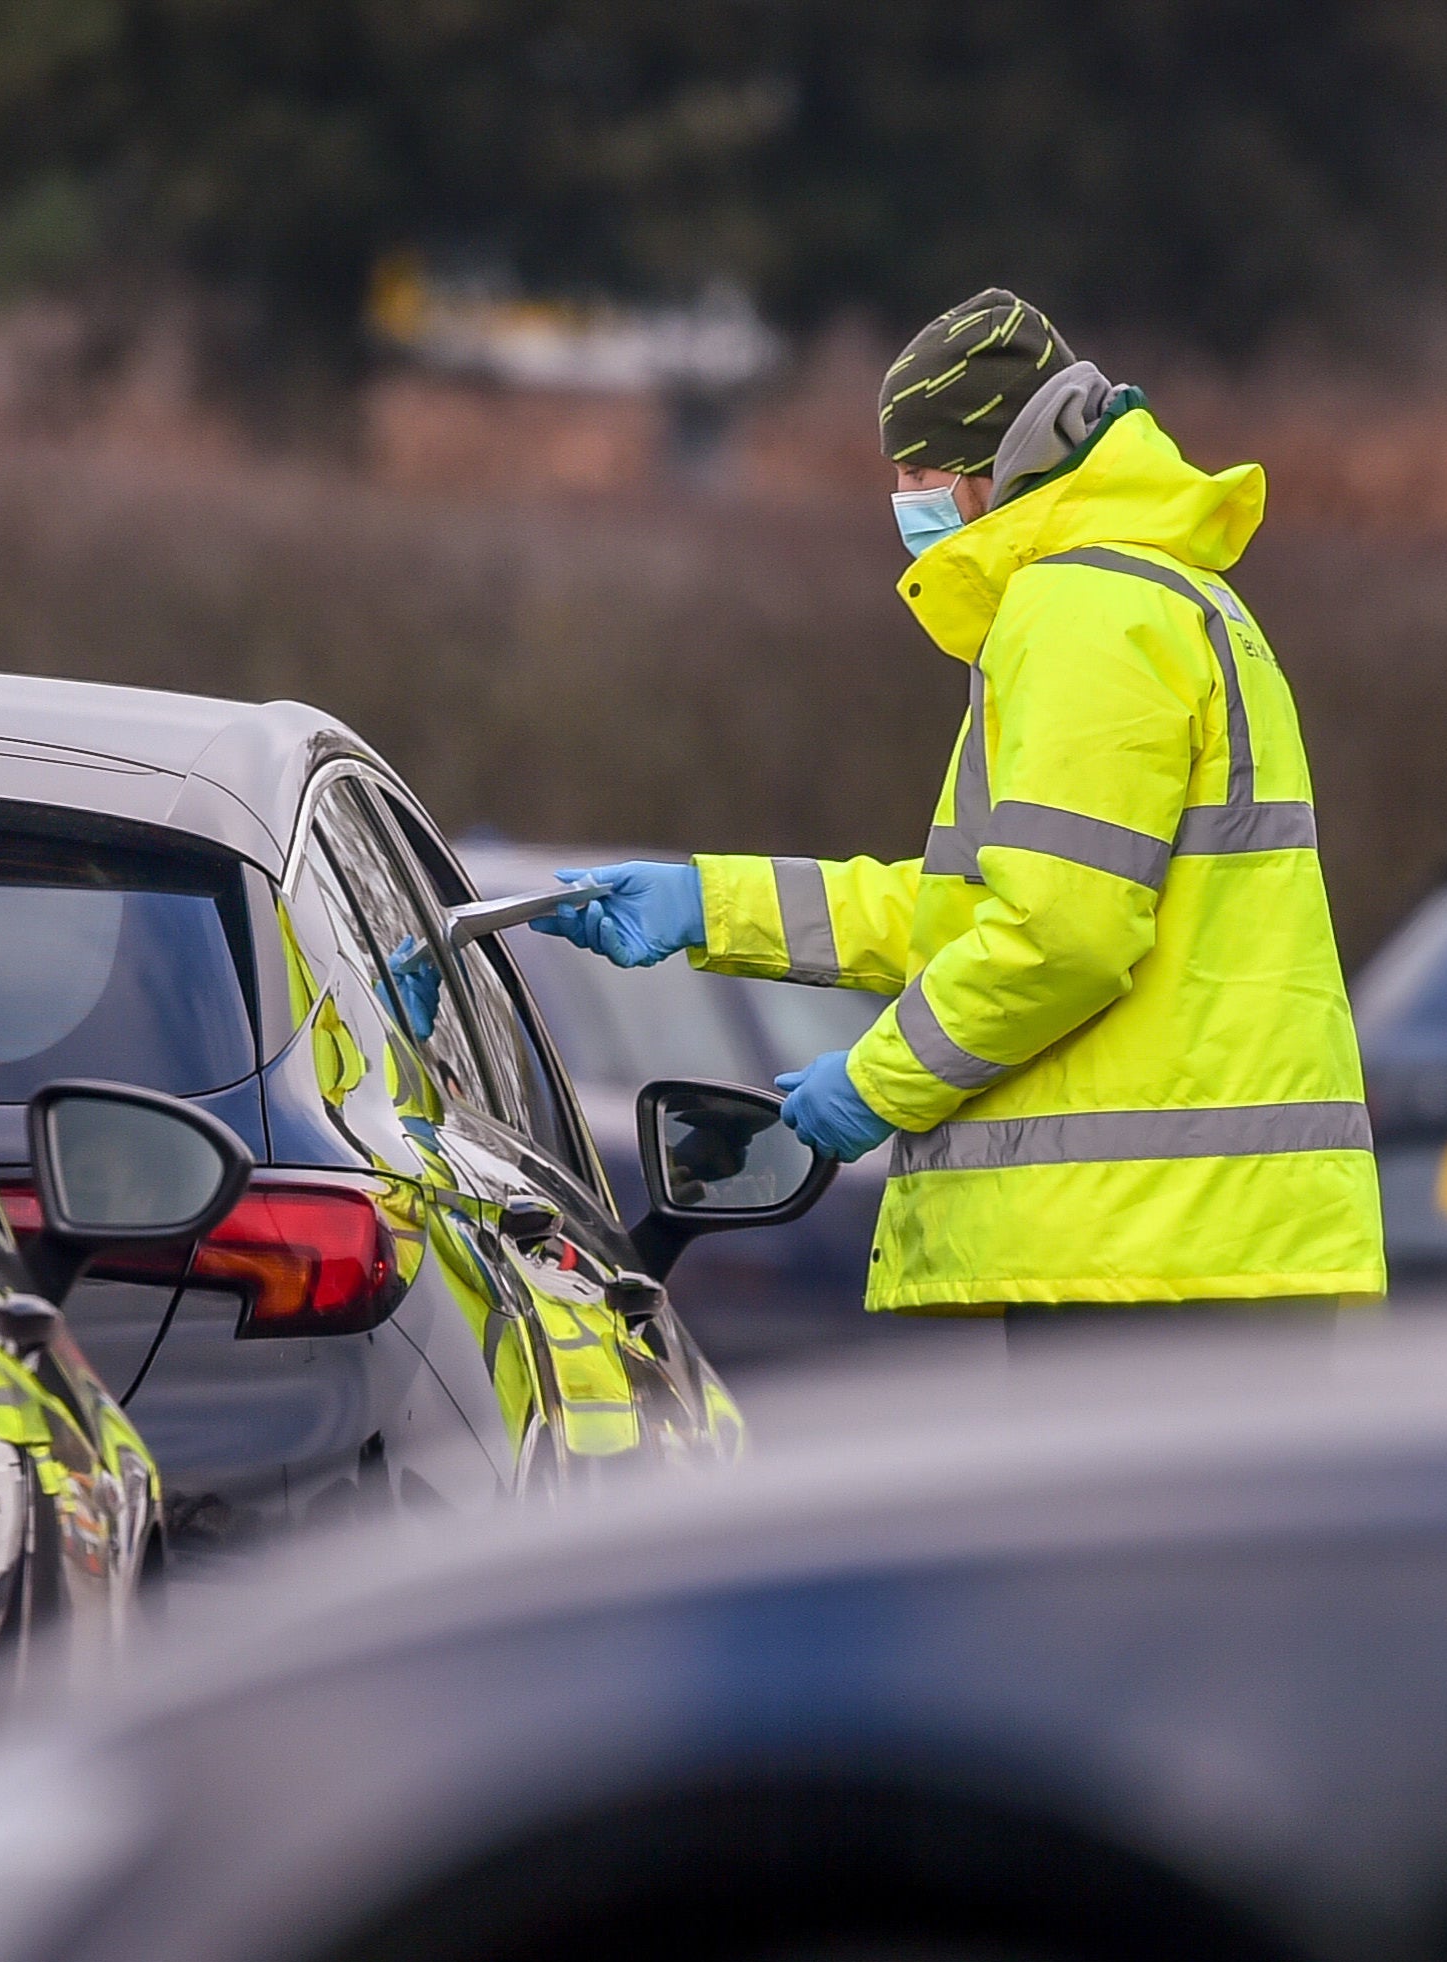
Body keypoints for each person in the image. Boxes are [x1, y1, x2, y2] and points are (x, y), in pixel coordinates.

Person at [537, 288, 1383, 1335]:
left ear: (987, 473)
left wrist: (879, 1081)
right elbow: (974, 905)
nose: (901, 499)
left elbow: (1059, 936)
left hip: (1143, 1250)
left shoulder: (1081, 612)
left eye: (915, 472)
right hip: (1176, 1242)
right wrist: (711, 905)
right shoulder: (1157, 595)